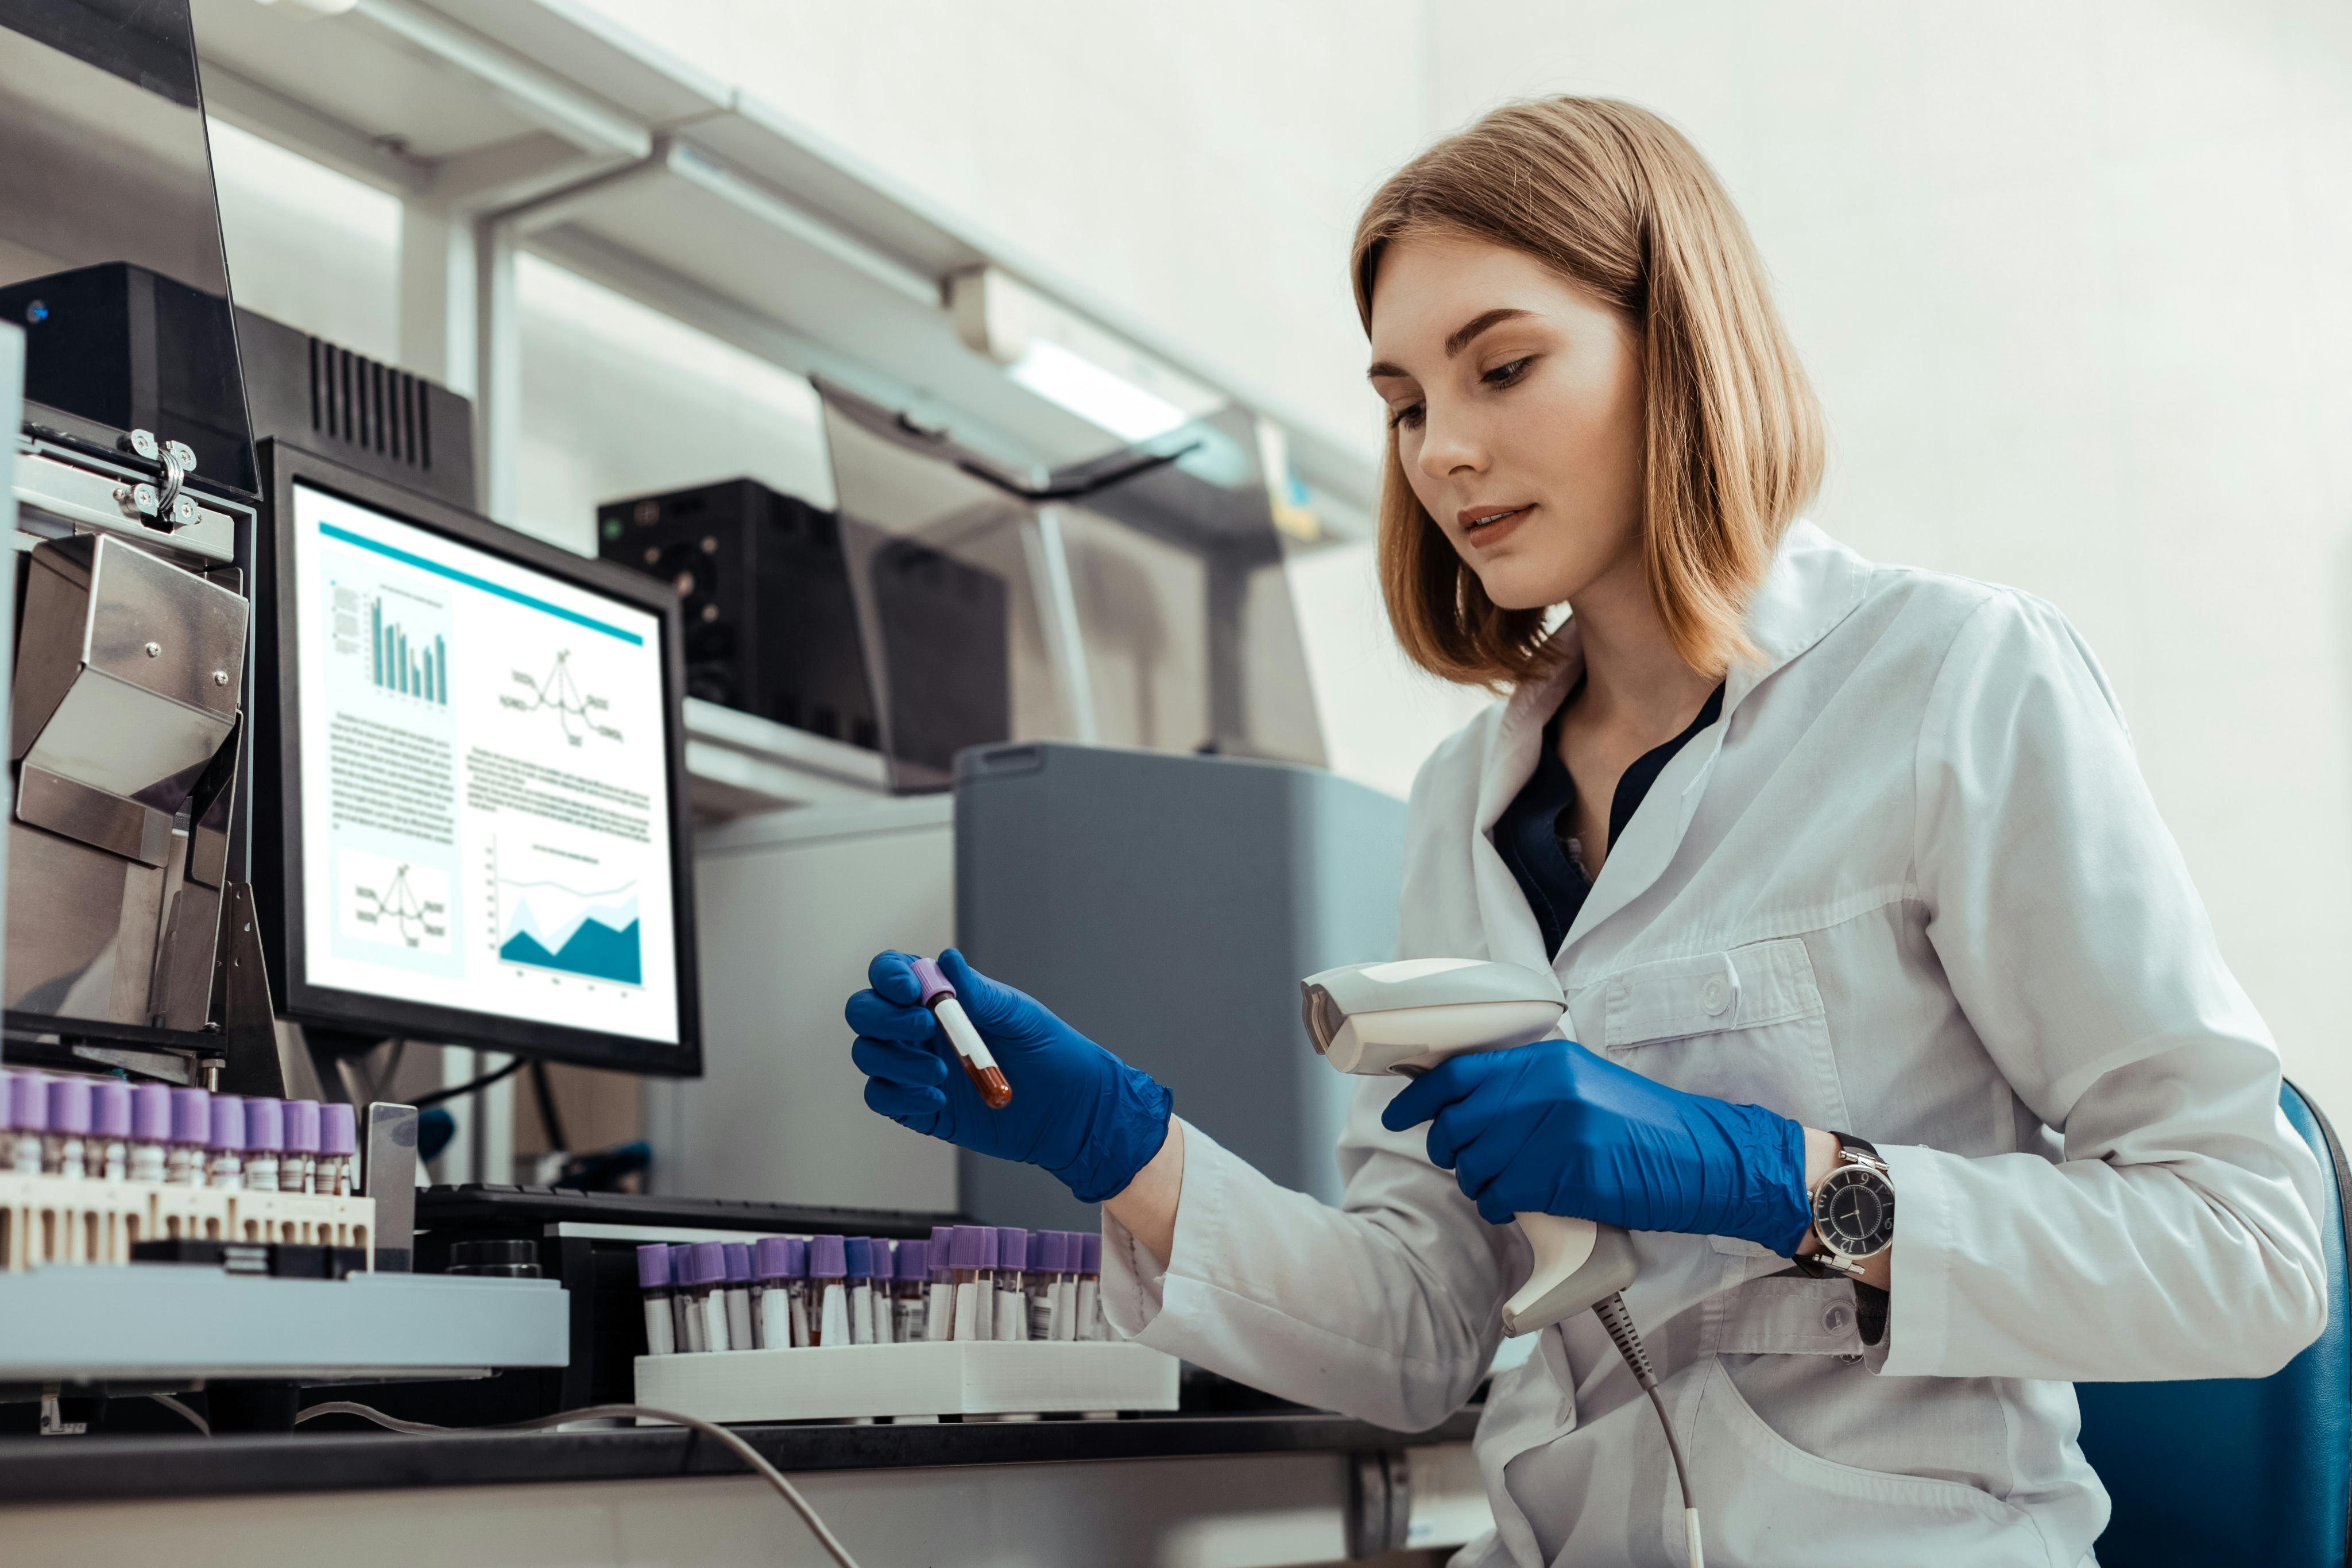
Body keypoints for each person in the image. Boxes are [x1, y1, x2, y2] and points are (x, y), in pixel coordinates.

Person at [844, 97, 2325, 1566]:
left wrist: (1782, 1178)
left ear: (1677, 346)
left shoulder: (1949, 682)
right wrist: (1119, 1145)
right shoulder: (1462, 805)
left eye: (1502, 368)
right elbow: (1428, 1327)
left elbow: (2252, 1254)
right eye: (1408, 403)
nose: (1442, 453)